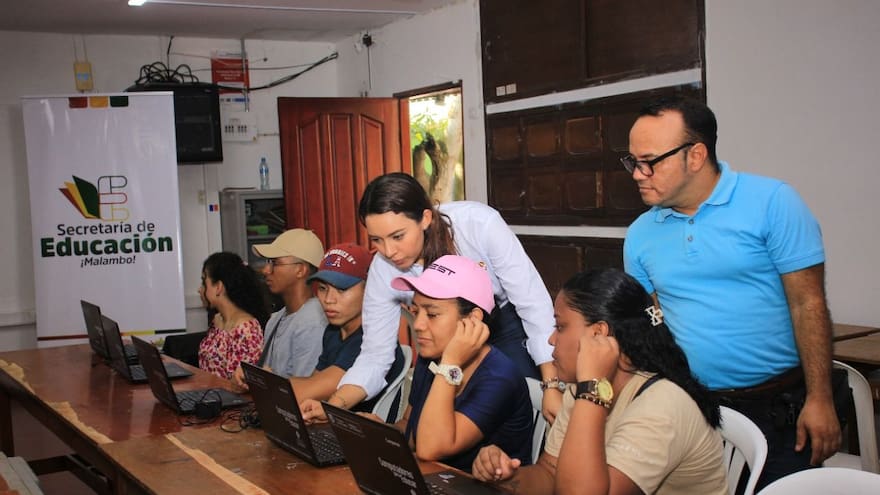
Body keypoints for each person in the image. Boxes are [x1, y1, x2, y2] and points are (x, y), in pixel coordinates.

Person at [621, 96, 841, 488]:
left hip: (778, 406)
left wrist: (820, 397)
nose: (638, 174)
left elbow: (808, 303)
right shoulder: (640, 233)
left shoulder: (773, 203)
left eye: (649, 161)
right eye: (632, 161)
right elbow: (654, 326)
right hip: (694, 407)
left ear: (696, 155)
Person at [306, 172, 562, 423]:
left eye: (398, 236)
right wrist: (334, 407)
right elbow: (375, 354)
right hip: (442, 336)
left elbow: (532, 304)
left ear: (425, 217)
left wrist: (551, 383)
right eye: (377, 240)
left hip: (503, 323)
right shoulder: (383, 268)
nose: (389, 251)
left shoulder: (478, 224)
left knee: (517, 407)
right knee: (432, 423)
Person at [472, 268, 728, 495]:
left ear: (598, 334)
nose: (551, 340)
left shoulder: (663, 403)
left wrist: (592, 389)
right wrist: (507, 477)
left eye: (560, 327)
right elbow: (550, 473)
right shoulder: (581, 388)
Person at [387, 255, 533, 471]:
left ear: (473, 319)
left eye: (433, 314)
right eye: (416, 311)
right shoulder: (431, 357)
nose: (417, 324)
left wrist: (450, 364)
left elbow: (430, 448)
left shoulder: (500, 378)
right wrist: (375, 430)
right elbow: (412, 428)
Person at [291, 243, 404, 417]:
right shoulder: (333, 331)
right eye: (322, 289)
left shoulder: (369, 338)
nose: (329, 299)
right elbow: (314, 382)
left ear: (369, 290)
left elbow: (304, 392)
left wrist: (261, 382)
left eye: (341, 289)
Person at [231, 229, 328, 389]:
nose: (266, 270)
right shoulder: (276, 318)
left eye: (275, 263)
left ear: (301, 270)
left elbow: (303, 392)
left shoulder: (313, 322)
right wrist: (248, 377)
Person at [197, 252, 268, 379]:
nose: (199, 289)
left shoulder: (246, 329)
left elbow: (244, 384)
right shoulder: (217, 320)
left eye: (204, 282)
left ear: (218, 287)